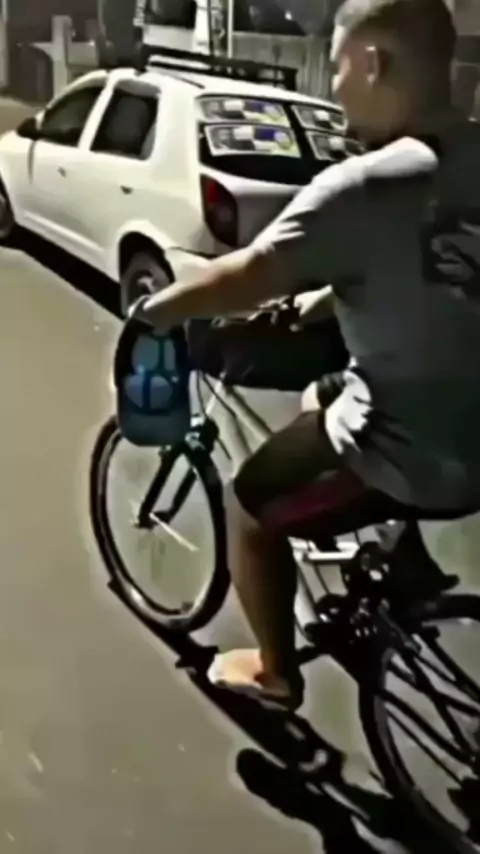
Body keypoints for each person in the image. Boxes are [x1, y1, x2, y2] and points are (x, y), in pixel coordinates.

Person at [131, 0, 480, 711]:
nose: (336, 88)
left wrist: (158, 310)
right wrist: (322, 301)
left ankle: (275, 672)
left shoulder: (366, 185)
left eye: (339, 66)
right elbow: (430, 273)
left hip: (418, 453)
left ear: (374, 63)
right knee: (323, 392)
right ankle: (404, 562)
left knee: (248, 509)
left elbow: (250, 273)